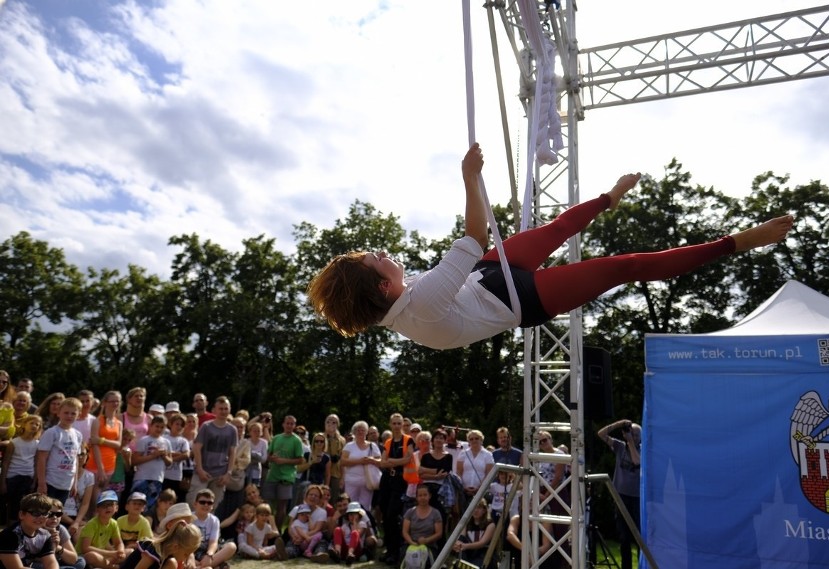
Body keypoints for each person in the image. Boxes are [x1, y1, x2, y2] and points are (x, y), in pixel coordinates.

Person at [308, 143, 794, 350]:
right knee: (625, 266)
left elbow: (474, 243)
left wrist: (475, 184)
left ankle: (609, 197)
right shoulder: (423, 306)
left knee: (560, 227)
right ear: (381, 283)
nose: (386, 254)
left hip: (487, 275)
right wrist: (469, 179)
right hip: (518, 299)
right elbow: (474, 234)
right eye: (378, 257)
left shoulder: (411, 301)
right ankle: (736, 243)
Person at [597, 419, 641, 569]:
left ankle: (643, 565)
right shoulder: (620, 447)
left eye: (636, 435)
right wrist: (619, 424)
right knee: (624, 538)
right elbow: (601, 434)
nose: (633, 437)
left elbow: (637, 462)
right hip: (620, 497)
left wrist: (631, 442)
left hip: (636, 498)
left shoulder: (642, 450)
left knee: (639, 537)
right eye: (631, 433)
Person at [186, 397, 237, 510]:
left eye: (226, 409)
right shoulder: (206, 427)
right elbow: (197, 448)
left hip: (220, 474)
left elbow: (232, 452)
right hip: (203, 472)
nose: (223, 411)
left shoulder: (232, 430)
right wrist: (199, 469)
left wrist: (228, 473)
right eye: (221, 409)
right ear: (214, 410)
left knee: (212, 507)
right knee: (194, 503)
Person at [379, 413, 416, 566]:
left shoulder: (408, 440)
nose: (396, 426)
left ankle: (396, 552)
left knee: (393, 515)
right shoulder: (388, 442)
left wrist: (392, 461)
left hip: (401, 481)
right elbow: (382, 463)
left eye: (399, 423)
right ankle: (389, 549)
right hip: (387, 480)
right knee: (385, 515)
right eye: (393, 423)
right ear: (390, 424)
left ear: (402, 425)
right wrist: (393, 462)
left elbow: (408, 459)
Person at [36, 398, 83, 504]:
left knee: (57, 513)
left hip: (66, 483)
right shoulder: (52, 432)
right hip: (50, 481)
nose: (69, 416)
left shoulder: (78, 435)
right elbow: (42, 458)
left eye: (73, 413)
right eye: (66, 413)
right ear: (58, 413)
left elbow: (75, 458)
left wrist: (75, 483)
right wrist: (42, 483)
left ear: (78, 415)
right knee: (45, 511)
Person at [263, 415, 305, 529]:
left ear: (294, 426)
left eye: (292, 424)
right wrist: (272, 458)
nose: (289, 425)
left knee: (281, 506)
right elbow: (268, 455)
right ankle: (267, 530)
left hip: (286, 477)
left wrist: (284, 461)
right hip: (272, 475)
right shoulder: (276, 438)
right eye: (287, 423)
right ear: (283, 424)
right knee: (268, 505)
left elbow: (300, 460)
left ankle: (278, 531)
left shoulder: (296, 440)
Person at [87, 391, 124, 514]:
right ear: (105, 403)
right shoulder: (98, 421)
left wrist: (102, 440)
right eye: (112, 401)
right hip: (96, 463)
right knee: (95, 497)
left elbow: (118, 444)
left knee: (102, 495)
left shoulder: (119, 423)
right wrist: (100, 468)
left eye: (117, 401)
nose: (115, 403)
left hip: (111, 463)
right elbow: (94, 443)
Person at [1, 415, 42, 523]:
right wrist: (3, 482)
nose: (34, 426)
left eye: (37, 424)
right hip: (12, 476)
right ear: (24, 424)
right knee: (9, 503)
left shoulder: (37, 444)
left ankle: (17, 525)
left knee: (21, 504)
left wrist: (34, 481)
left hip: (27, 477)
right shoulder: (14, 442)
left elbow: (36, 463)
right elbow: (6, 463)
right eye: (31, 423)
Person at [0, 493, 58, 569]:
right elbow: (16, 568)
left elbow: (51, 563)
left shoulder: (45, 535)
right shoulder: (9, 536)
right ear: (21, 515)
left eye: (45, 513)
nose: (41, 517)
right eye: (35, 513)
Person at [118, 519, 201, 569]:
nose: (185, 559)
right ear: (176, 547)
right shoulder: (152, 551)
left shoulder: (169, 560)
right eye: (186, 554)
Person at [131, 416, 173, 511]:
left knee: (150, 507)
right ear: (151, 426)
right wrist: (153, 456)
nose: (159, 429)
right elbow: (134, 461)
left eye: (162, 427)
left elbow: (169, 462)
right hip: (142, 477)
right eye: (157, 426)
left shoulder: (166, 442)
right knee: (136, 505)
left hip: (157, 478)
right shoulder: (144, 440)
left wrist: (164, 456)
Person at [77, 490, 125, 569]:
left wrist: (121, 551)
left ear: (116, 508)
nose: (107, 507)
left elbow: (119, 543)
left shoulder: (114, 523)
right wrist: (111, 553)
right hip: (84, 556)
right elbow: (85, 548)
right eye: (103, 505)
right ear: (97, 509)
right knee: (91, 556)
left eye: (111, 504)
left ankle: (105, 565)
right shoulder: (92, 524)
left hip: (102, 555)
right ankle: (114, 567)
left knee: (130, 551)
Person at [340, 421, 382, 510]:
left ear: (366, 432)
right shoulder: (349, 446)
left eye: (362, 430)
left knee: (365, 507)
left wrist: (371, 460)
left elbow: (380, 461)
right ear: (354, 432)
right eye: (358, 430)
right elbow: (343, 462)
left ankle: (364, 523)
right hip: (351, 481)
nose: (360, 432)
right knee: (350, 506)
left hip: (367, 482)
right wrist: (360, 461)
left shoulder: (373, 446)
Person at [190, 489, 236, 569]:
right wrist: (191, 557)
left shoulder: (214, 520)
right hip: (191, 552)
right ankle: (213, 566)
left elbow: (213, 542)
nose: (206, 505)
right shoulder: (189, 518)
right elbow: (184, 544)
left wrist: (209, 555)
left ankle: (200, 567)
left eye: (209, 503)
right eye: (202, 502)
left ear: (212, 506)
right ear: (195, 504)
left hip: (207, 551)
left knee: (232, 546)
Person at [37, 498, 85, 569]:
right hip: (40, 563)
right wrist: (50, 546)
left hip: (58, 562)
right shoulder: (36, 528)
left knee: (81, 561)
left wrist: (57, 547)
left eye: (58, 514)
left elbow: (73, 559)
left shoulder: (60, 529)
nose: (54, 517)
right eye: (50, 514)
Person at [401, 485, 443, 562]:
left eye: (425, 495)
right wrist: (412, 542)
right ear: (416, 497)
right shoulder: (410, 512)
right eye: (420, 495)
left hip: (429, 546)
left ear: (429, 496)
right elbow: (405, 532)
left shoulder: (436, 513)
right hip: (411, 544)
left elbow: (439, 533)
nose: (422, 498)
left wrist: (426, 540)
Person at [452, 498, 496, 569]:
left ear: (484, 510)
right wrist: (457, 544)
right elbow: (461, 538)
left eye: (479, 508)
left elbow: (482, 543)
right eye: (474, 508)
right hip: (468, 554)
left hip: (482, 555)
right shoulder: (466, 523)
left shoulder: (490, 524)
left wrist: (465, 546)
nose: (475, 510)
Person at [457, 430, 494, 499]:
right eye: (471, 439)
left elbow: (489, 474)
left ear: (481, 439)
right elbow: (459, 472)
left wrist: (479, 488)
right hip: (464, 491)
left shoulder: (488, 455)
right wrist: (463, 487)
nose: (474, 440)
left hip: (481, 492)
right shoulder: (463, 454)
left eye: (476, 438)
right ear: (468, 441)